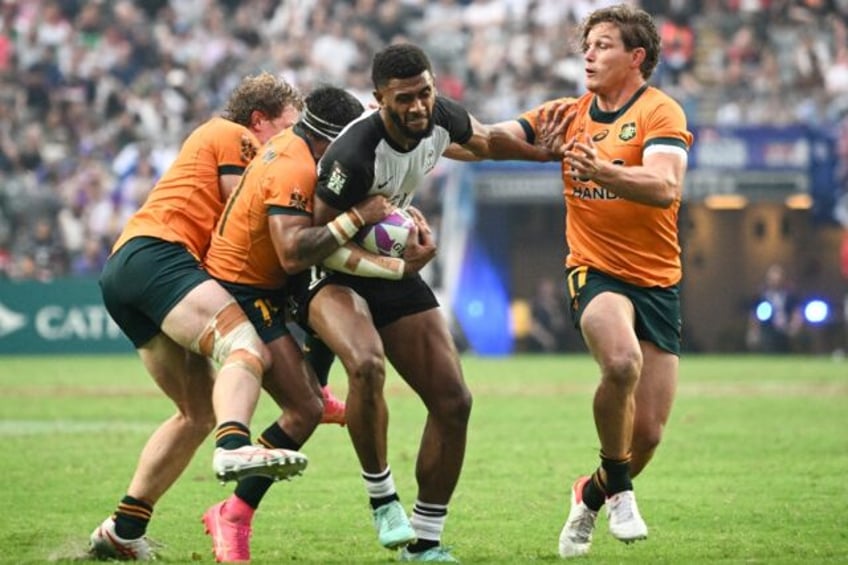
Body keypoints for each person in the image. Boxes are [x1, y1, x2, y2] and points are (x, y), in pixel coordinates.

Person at [300, 43, 565, 563]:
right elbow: (315, 237)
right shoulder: (351, 156)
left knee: (454, 401)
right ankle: (383, 501)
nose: (419, 107)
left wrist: (542, 152)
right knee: (368, 367)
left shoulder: (440, 116)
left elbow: (486, 141)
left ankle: (424, 542)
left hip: (396, 263)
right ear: (380, 99)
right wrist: (387, 257)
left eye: (425, 93)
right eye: (404, 99)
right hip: (333, 269)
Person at [200, 85, 432, 562]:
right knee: (304, 409)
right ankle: (234, 512)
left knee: (314, 395)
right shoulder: (296, 165)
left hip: (274, 285)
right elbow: (293, 253)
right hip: (248, 289)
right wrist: (362, 220)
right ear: (331, 139)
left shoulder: (299, 150)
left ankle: (235, 508)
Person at [495, 4, 694, 558]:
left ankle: (591, 493)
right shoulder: (567, 115)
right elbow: (490, 140)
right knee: (622, 362)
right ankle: (621, 487)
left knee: (648, 434)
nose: (588, 53)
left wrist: (601, 170)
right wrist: (425, 123)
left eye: (603, 45)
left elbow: (663, 187)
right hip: (594, 268)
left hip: (658, 281)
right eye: (587, 44)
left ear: (636, 57)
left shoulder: (661, 113)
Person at [88, 72, 306, 561]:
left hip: (128, 271)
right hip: (159, 254)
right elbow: (248, 207)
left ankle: (123, 528)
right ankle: (235, 444)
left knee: (197, 412)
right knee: (244, 346)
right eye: (289, 128)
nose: (295, 142)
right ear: (259, 120)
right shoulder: (236, 137)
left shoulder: (229, 139)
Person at [746, 263, 803, 353]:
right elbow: (754, 315)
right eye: (772, 279)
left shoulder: (790, 295)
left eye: (778, 278)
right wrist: (753, 332)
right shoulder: (761, 296)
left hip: (786, 330)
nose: (775, 281)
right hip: (768, 330)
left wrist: (794, 326)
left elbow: (797, 312)